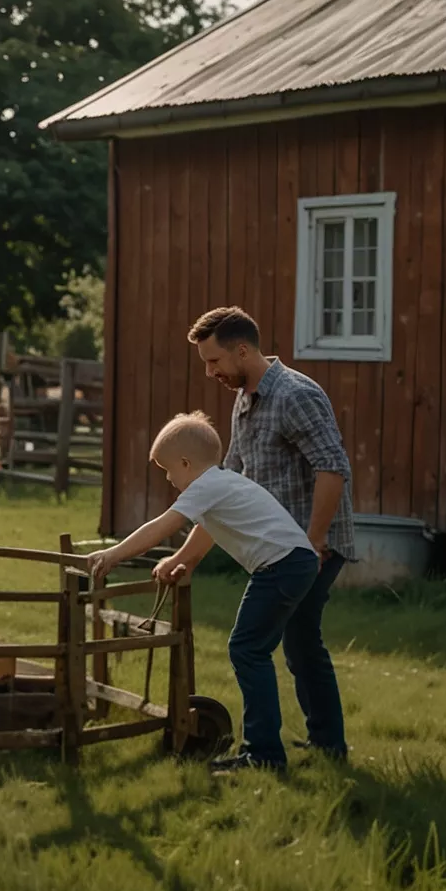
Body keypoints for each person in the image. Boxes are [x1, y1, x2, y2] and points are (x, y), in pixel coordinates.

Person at [163, 305, 356, 764]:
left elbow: (334, 467)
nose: (210, 372)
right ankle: (327, 746)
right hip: (282, 550)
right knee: (301, 644)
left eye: (214, 362)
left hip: (307, 548)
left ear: (243, 350)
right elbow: (222, 489)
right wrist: (188, 557)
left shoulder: (295, 395)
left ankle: (267, 753)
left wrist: (315, 538)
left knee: (259, 645)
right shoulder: (245, 399)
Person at [87, 412, 319, 775]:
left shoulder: (206, 486)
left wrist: (113, 554)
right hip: (296, 562)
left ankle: (264, 754)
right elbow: (206, 531)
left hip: (281, 566)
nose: (168, 478)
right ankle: (302, 746)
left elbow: (164, 525)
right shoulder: (222, 485)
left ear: (186, 463)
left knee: (247, 650)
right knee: (272, 649)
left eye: (169, 470)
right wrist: (184, 561)